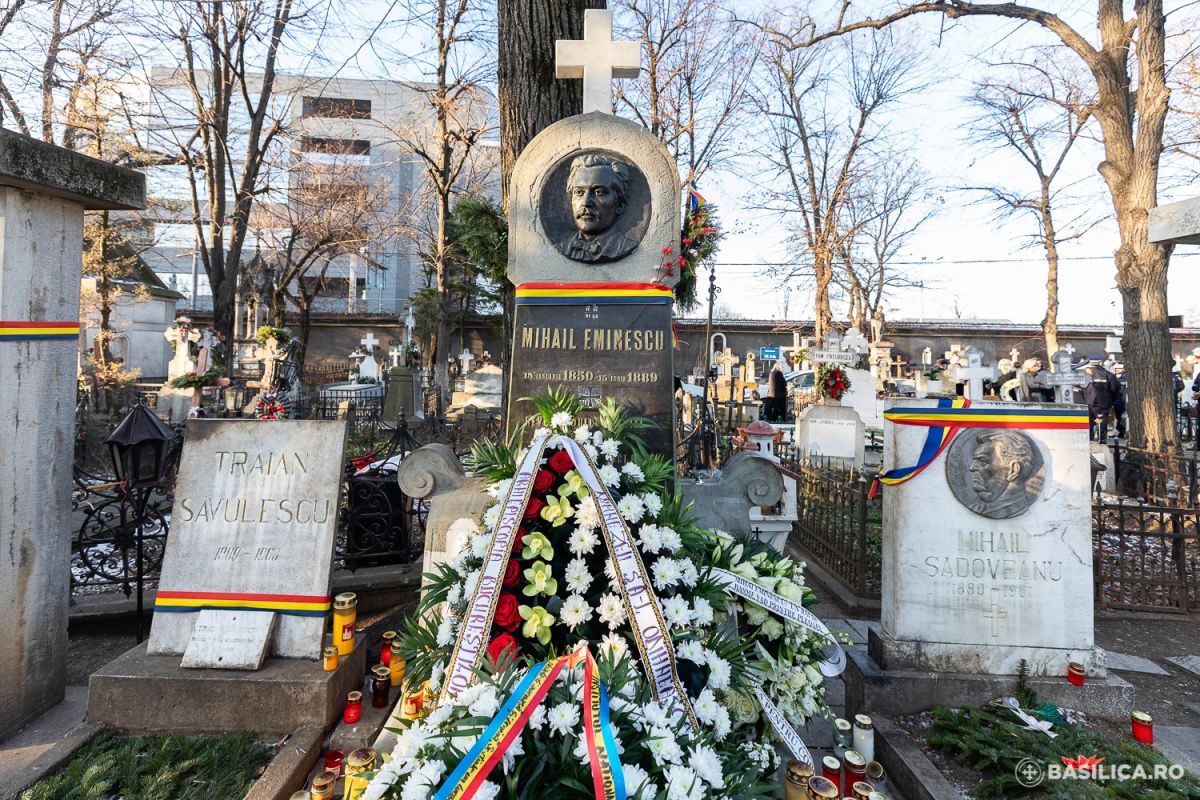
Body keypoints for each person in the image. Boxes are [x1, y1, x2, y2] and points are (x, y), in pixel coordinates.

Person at [555, 153, 639, 263]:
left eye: (599, 192)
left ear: (620, 205)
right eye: (579, 192)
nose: (585, 203)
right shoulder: (563, 246)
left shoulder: (625, 246)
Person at [1083, 356, 1121, 441]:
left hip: (1087, 402)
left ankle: (1089, 440)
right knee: (1102, 422)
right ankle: (1102, 440)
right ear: (1100, 363)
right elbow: (1115, 388)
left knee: (1088, 423)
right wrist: (1110, 398)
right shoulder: (1108, 374)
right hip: (1103, 402)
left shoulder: (1084, 375)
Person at [1112, 363, 1127, 438]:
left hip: (1122, 400)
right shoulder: (1113, 376)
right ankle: (1118, 431)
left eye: (1120, 368)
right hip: (1114, 399)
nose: (1117, 369)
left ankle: (1121, 432)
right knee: (1116, 417)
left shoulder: (1126, 377)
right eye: (1116, 368)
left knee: (1121, 416)